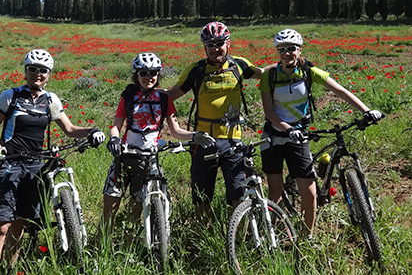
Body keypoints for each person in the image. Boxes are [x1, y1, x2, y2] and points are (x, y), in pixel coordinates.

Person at [0, 49, 105, 266]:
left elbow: (69, 129)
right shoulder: (10, 96)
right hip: (9, 164)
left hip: (35, 167)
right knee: (2, 227)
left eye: (42, 71)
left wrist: (91, 131)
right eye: (32, 69)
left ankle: (10, 270)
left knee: (19, 225)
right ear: (25, 71)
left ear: (49, 74)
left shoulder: (51, 100)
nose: (37, 74)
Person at [259, 29, 383, 239]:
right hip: (273, 135)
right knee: (275, 190)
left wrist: (367, 111)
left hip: (298, 134)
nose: (287, 53)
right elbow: (269, 112)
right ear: (277, 52)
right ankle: (273, 236)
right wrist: (288, 129)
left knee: (310, 192)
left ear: (299, 50)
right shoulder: (269, 76)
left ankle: (307, 237)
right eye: (282, 50)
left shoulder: (308, 71)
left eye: (291, 49)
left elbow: (340, 91)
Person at [102, 52, 215, 233]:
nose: (149, 77)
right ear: (136, 75)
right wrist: (114, 139)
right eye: (144, 73)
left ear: (158, 75)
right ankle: (102, 245)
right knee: (110, 205)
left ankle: (128, 245)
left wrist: (195, 136)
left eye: (153, 73)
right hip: (124, 155)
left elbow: (176, 131)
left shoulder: (164, 99)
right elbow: (116, 125)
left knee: (135, 210)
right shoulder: (128, 97)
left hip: (148, 159)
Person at [167, 21, 268, 221]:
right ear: (204, 47)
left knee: (239, 195)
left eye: (219, 43)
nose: (215, 49)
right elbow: (170, 96)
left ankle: (237, 239)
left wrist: (289, 65)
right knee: (202, 197)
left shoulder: (239, 65)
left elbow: (265, 75)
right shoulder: (196, 70)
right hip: (204, 141)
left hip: (233, 140)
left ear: (228, 44)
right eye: (210, 45)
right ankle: (203, 237)